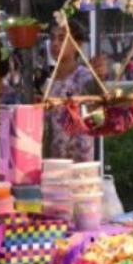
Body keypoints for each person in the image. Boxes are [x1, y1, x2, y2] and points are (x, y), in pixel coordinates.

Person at [45, 18, 97, 162]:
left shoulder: (84, 76)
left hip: (80, 157)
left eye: (62, 39)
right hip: (56, 158)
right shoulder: (50, 80)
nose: (55, 43)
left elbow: (96, 105)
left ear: (77, 44)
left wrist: (98, 78)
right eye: (52, 38)